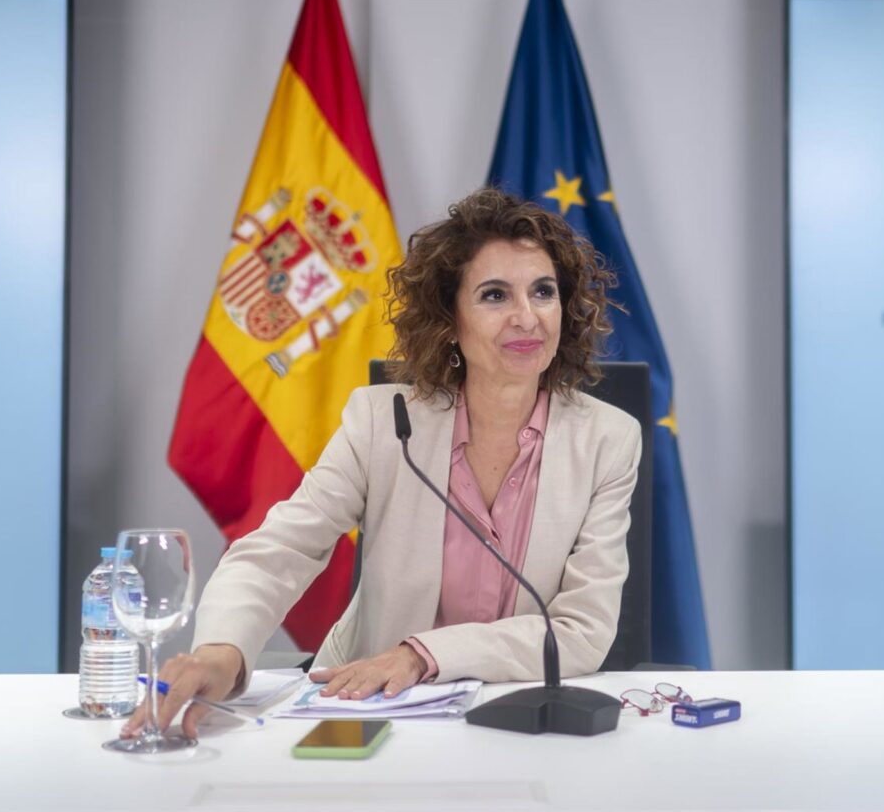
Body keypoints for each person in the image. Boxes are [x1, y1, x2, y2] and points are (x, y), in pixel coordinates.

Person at [124, 186, 641, 739]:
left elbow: (581, 630)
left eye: (543, 292)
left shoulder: (608, 439)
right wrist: (221, 651)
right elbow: (282, 549)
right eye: (494, 295)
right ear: (450, 318)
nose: (526, 317)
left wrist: (422, 654)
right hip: (372, 708)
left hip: (520, 716)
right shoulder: (381, 421)